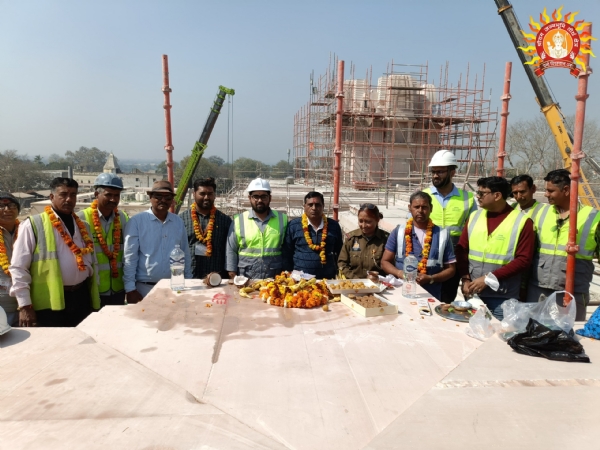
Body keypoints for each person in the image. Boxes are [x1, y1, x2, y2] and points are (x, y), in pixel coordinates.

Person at [10, 178, 100, 327]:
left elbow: (92, 262)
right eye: (63, 194)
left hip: (81, 297)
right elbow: (18, 267)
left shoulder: (84, 226)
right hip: (50, 301)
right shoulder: (33, 224)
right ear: (51, 197)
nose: (69, 199)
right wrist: (25, 306)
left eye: (73, 195)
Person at [455, 176, 535, 320]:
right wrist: (465, 278)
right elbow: (462, 250)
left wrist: (488, 279)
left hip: (503, 298)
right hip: (474, 294)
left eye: (482, 193)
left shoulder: (522, 222)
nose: (478, 197)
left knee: (499, 337)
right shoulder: (474, 216)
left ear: (497, 195)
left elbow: (524, 260)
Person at [527, 169, 600, 321]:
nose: (546, 194)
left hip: (573, 291)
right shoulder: (539, 212)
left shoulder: (593, 217)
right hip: (538, 289)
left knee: (569, 336)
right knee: (534, 334)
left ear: (566, 190)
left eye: (550, 190)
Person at [123, 180, 192, 302]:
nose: (163, 200)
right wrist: (130, 289)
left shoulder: (178, 222)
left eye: (168, 197)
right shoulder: (137, 222)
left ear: (172, 200)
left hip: (174, 287)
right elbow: (130, 257)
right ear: (150, 197)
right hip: (144, 289)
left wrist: (188, 282)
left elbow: (185, 254)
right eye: (158, 196)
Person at [381, 192, 456, 300]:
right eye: (416, 207)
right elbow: (385, 262)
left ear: (431, 208)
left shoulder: (442, 234)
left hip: (430, 295)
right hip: (401, 293)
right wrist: (399, 273)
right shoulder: (399, 232)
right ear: (409, 208)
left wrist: (431, 278)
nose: (420, 210)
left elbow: (451, 269)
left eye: (424, 207)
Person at [424, 149, 476, 303]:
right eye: (433, 171)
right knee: (424, 299)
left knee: (447, 299)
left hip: (453, 259)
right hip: (428, 255)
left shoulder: (467, 198)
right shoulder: (424, 195)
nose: (435, 175)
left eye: (440, 171)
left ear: (452, 172)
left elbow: (472, 231)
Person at [77, 173, 129, 308]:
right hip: (93, 288)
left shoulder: (123, 218)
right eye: (108, 195)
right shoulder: (81, 219)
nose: (113, 199)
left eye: (117, 195)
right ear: (96, 194)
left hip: (118, 288)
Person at [226, 178, 288, 280]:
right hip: (246, 278)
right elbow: (231, 249)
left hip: (274, 279)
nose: (259, 200)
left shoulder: (283, 219)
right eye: (256, 196)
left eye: (264, 196)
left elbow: (287, 250)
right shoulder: (239, 220)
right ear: (249, 198)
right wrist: (232, 273)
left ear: (270, 198)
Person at [282, 191, 343, 279]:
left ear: (323, 206)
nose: (314, 208)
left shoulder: (334, 226)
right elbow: (287, 253)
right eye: (310, 205)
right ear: (304, 207)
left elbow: (340, 252)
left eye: (318, 205)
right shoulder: (293, 226)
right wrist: (288, 274)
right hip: (300, 281)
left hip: (327, 280)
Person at [179, 177, 232, 279]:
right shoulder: (181, 220)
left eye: (210, 194)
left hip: (217, 278)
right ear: (194, 194)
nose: (206, 197)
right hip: (190, 278)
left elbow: (230, 251)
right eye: (202, 194)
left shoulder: (225, 220)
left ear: (215, 195)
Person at [338, 203, 389, 279]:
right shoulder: (351, 238)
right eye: (360, 221)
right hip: (354, 285)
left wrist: (378, 278)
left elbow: (390, 265)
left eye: (368, 222)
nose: (364, 225)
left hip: (378, 285)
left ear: (377, 220)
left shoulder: (386, 239)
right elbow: (342, 263)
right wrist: (356, 280)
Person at [0, 193, 21, 326]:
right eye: (1, 206)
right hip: (2, 307)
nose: (7, 209)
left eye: (12, 205)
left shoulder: (27, 230)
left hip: (25, 303)